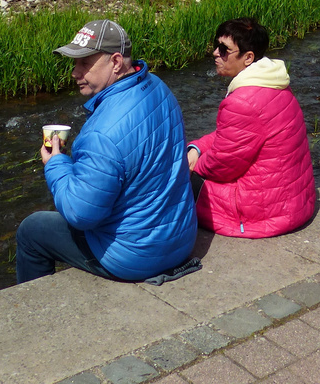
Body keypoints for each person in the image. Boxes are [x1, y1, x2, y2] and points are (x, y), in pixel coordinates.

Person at [16, 20, 198, 283]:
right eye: (74, 63)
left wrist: (56, 164)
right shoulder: (158, 87)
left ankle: (35, 316)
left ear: (115, 62)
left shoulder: (101, 133)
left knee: (32, 230)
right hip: (181, 239)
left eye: (84, 63)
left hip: (137, 257)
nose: (75, 73)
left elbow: (81, 214)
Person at [186, 18, 316, 238]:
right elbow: (230, 136)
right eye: (216, 46)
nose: (216, 53)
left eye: (224, 50)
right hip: (293, 203)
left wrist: (191, 166)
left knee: (172, 179)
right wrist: (196, 148)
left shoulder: (243, 101)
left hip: (262, 213)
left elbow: (222, 165)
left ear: (248, 57)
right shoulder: (274, 83)